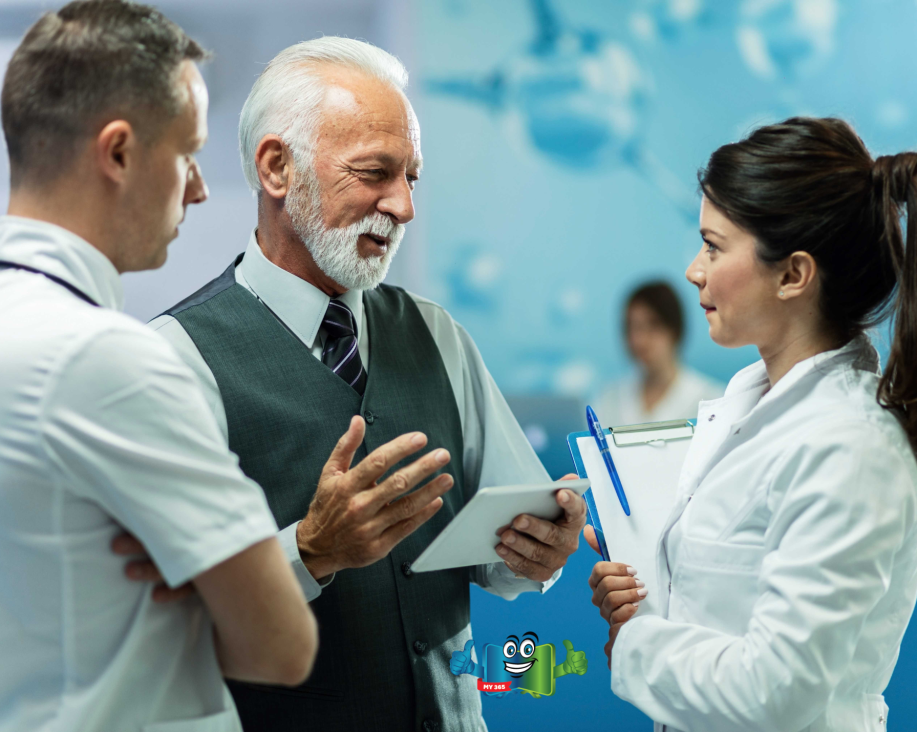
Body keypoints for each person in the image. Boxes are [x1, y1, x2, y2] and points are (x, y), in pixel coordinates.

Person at [144, 37, 588, 732]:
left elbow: (504, 558)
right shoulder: (173, 361)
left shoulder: (438, 335)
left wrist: (539, 554)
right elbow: (157, 621)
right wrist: (311, 550)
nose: (403, 206)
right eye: (376, 172)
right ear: (276, 167)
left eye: (413, 177)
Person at [0, 1, 337, 729]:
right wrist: (196, 594)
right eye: (188, 153)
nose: (200, 187)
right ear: (118, 152)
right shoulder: (110, 362)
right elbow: (281, 644)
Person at [586, 117, 917, 732]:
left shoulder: (850, 447)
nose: (695, 270)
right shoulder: (751, 404)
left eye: (714, 247)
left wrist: (640, 644)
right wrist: (647, 592)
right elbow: (730, 603)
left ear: (794, 274)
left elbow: (776, 693)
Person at [596, 281, 724, 426]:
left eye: (652, 326)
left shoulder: (711, 401)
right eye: (632, 327)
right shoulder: (609, 400)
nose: (639, 340)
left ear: (675, 330)